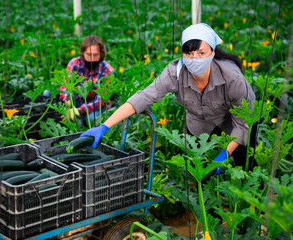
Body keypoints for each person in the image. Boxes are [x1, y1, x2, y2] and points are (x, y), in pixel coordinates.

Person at [80, 23, 256, 173]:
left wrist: (224, 155)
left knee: (247, 168)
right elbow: (144, 98)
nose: (195, 58)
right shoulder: (175, 73)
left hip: (237, 126)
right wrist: (104, 127)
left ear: (212, 53)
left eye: (201, 53)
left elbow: (242, 124)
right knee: (204, 176)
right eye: (189, 53)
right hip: (201, 128)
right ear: (182, 54)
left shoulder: (232, 78)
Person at [45, 35, 115, 126]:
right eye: (89, 55)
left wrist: (79, 110)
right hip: (76, 99)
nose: (92, 59)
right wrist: (67, 103)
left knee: (91, 120)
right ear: (82, 53)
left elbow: (100, 100)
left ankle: (80, 121)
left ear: (101, 54)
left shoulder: (108, 71)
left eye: (96, 55)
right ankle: (53, 119)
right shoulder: (75, 63)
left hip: (95, 105)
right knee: (48, 93)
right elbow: (65, 85)